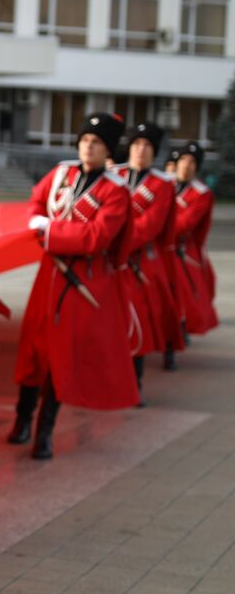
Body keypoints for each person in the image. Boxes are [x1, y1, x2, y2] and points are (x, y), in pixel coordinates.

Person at [10, 113, 138, 459]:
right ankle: (22, 419)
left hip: (82, 282)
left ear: (108, 149)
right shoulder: (60, 174)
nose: (87, 147)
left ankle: (44, 432)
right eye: (84, 141)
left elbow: (96, 238)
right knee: (33, 349)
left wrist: (50, 231)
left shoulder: (115, 191)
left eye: (96, 142)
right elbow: (36, 204)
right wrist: (42, 224)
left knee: (60, 357)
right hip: (49, 277)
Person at [113, 122, 179, 398]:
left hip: (138, 263)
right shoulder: (114, 175)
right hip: (111, 261)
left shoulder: (162, 185)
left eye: (148, 145)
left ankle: (135, 382)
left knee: (138, 319)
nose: (141, 150)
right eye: (137, 144)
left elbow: (150, 227)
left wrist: (111, 239)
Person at [170, 141, 219, 339]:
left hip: (183, 250)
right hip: (159, 247)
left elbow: (186, 224)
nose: (185, 165)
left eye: (191, 162)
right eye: (182, 160)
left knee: (186, 297)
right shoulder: (166, 184)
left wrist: (154, 226)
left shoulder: (201, 193)